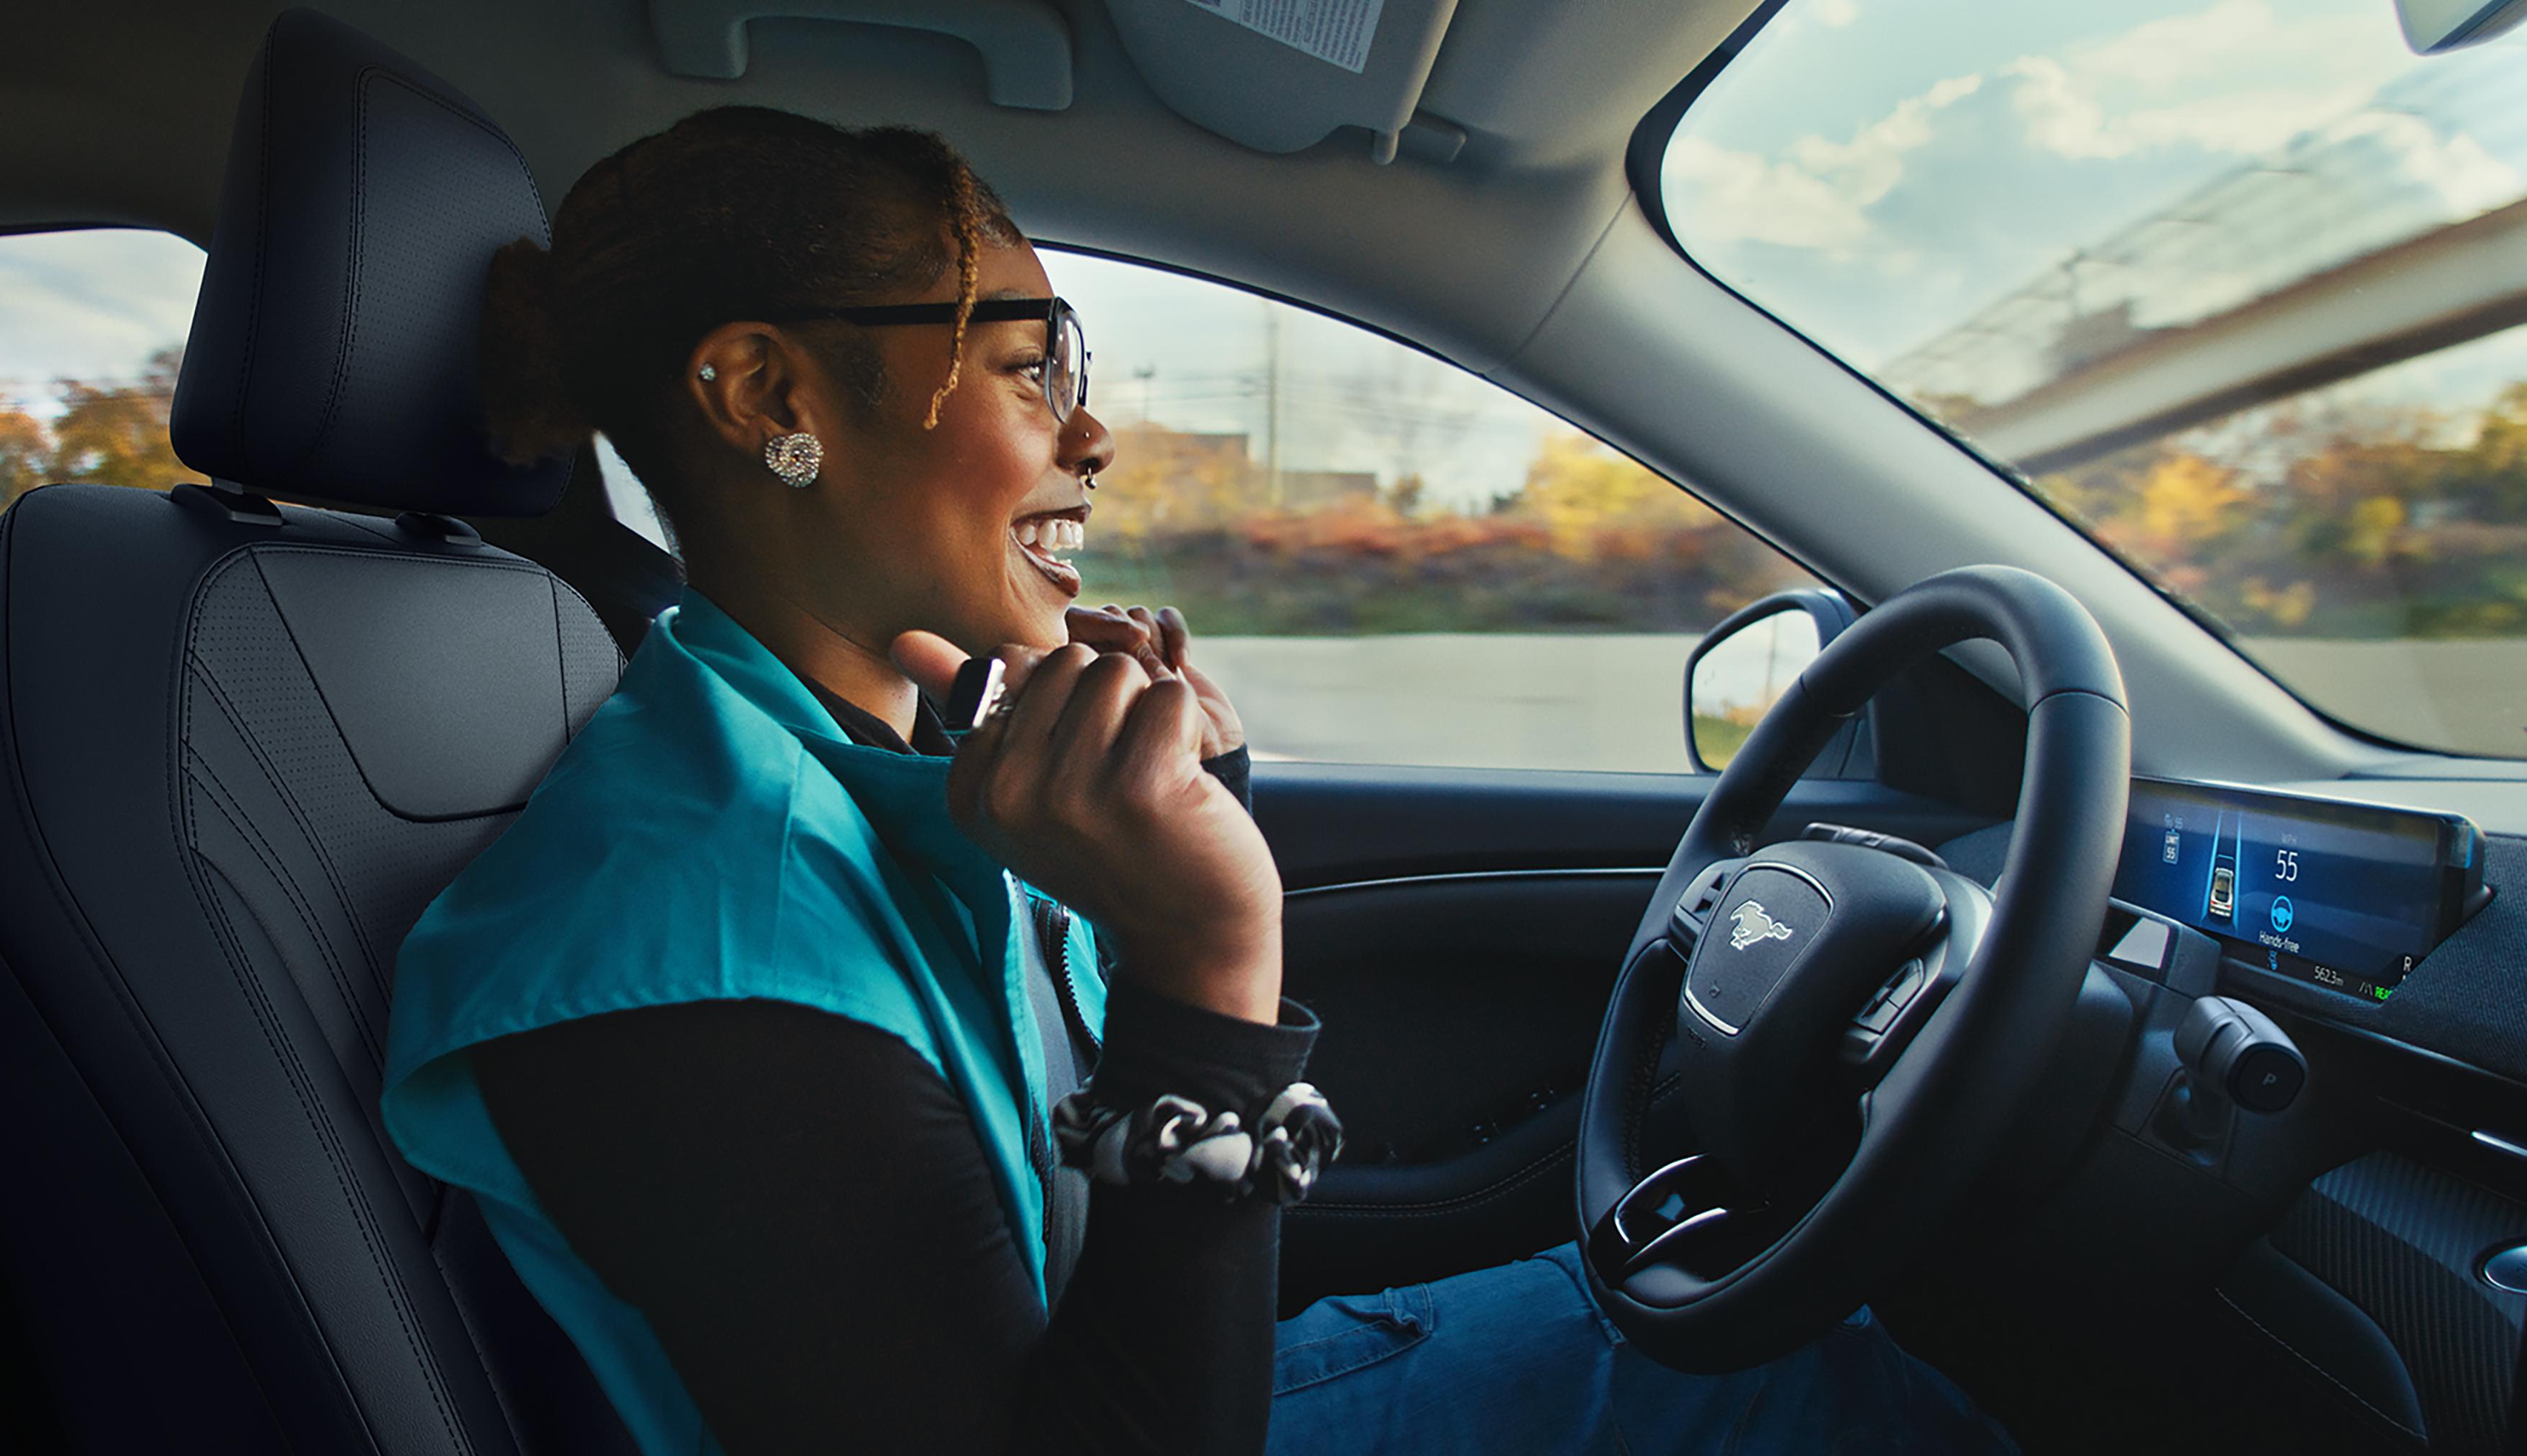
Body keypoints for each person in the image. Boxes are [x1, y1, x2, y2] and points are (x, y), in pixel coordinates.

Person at [380, 107, 2015, 1455]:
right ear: (770, 397)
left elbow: (1046, 1180)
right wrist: (1205, 968)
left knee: (1741, 1303)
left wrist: (1191, 802)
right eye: (1032, 372)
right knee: (1806, 1374)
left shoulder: (837, 749)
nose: (1092, 438)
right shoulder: (689, 932)